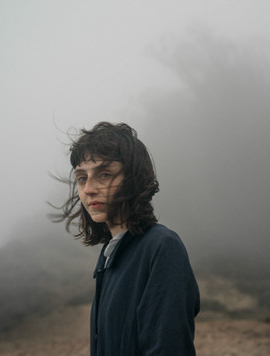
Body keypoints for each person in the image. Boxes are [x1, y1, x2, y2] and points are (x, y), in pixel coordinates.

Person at [57, 122, 200, 355]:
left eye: (104, 174)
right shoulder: (108, 256)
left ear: (134, 179)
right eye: (82, 178)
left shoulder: (162, 247)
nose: (89, 189)